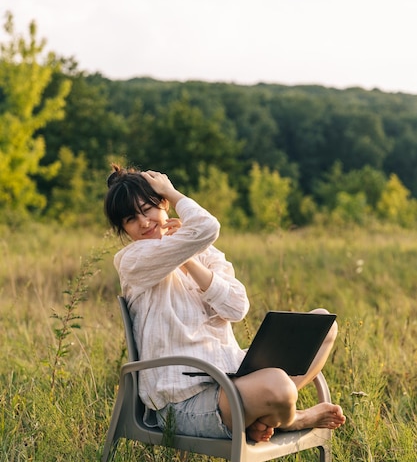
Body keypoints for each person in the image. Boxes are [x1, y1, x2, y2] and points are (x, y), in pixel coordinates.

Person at [104, 165, 345, 443]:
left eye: (148, 209)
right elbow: (208, 227)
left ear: (163, 204)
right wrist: (174, 193)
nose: (144, 223)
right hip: (185, 402)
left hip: (232, 377)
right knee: (278, 386)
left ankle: (271, 413)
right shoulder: (133, 260)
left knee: (322, 324)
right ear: (123, 227)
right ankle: (292, 417)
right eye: (131, 219)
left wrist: (189, 258)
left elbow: (237, 308)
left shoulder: (201, 249)